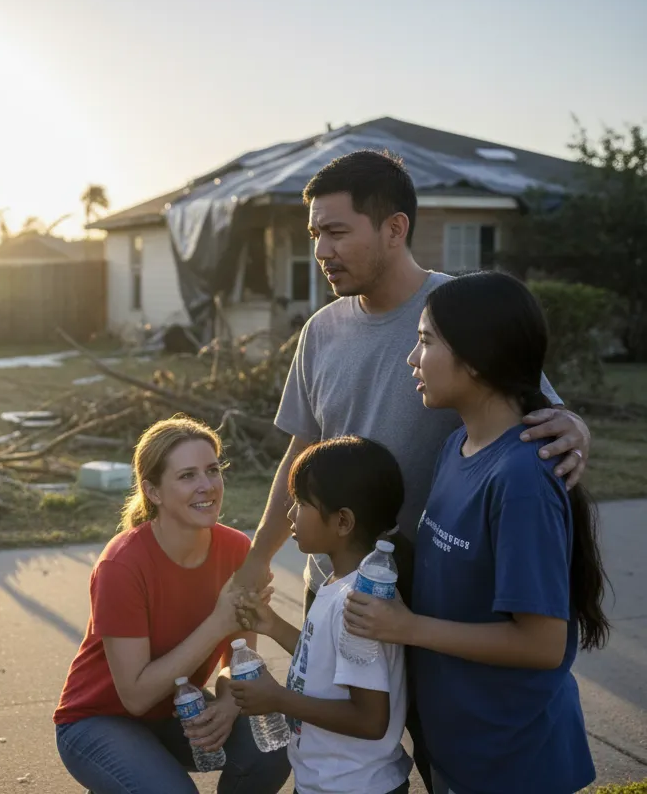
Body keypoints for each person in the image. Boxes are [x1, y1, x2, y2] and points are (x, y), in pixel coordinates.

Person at [232, 149, 592, 787]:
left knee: (444, 746)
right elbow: (300, 454)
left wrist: (577, 425)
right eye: (315, 234)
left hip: (441, 593)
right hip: (341, 580)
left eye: (337, 231)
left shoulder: (458, 314)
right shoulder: (320, 332)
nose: (322, 249)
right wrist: (261, 554)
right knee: (345, 755)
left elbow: (530, 410)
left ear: (394, 229)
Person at [343, 271, 610, 794]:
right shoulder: (457, 447)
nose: (411, 359)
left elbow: (541, 645)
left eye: (424, 341)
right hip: (460, 745)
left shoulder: (521, 478)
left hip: (514, 759)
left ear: (477, 356)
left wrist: (406, 627)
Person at [53, 416, 291, 794]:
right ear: (154, 492)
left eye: (212, 470)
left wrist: (229, 705)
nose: (207, 486)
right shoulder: (122, 565)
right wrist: (218, 622)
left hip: (180, 710)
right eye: (187, 476)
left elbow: (239, 659)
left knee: (271, 752)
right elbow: (135, 696)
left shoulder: (236, 551)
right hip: (98, 720)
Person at [229, 437, 413, 794]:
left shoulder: (359, 604)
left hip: (353, 786)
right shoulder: (342, 581)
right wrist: (273, 625)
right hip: (333, 781)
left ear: (342, 521)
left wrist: (276, 698)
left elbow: (371, 719)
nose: (289, 514)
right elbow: (328, 662)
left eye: (300, 503)